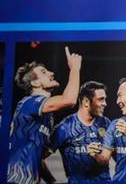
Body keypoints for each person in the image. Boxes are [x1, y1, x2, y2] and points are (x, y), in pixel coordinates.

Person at [7, 47, 82, 184]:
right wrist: (75, 69)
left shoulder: (47, 116)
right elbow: (69, 100)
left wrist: (52, 181)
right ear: (35, 82)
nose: (51, 73)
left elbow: (37, 155)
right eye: (43, 72)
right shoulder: (29, 103)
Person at [49, 81, 111, 182]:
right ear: (86, 102)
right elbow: (39, 157)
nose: (105, 104)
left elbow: (117, 157)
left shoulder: (106, 124)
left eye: (105, 99)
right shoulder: (65, 127)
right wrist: (51, 181)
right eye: (101, 99)